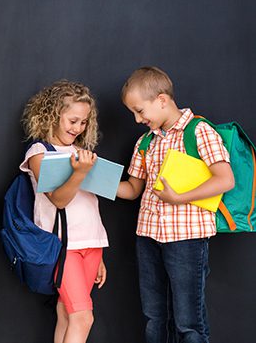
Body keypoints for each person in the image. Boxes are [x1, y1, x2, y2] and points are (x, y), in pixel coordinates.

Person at [116, 66, 234, 343]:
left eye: (139, 111)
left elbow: (225, 179)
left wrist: (178, 198)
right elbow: (133, 189)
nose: (136, 119)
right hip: (148, 237)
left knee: (188, 321)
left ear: (162, 100)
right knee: (154, 317)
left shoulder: (199, 131)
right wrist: (90, 179)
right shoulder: (145, 142)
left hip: (187, 239)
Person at [19, 81, 108, 343]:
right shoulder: (39, 152)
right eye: (72, 120)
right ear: (52, 115)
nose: (78, 128)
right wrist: (80, 172)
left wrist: (97, 249)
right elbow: (59, 200)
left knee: (66, 312)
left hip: (91, 244)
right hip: (62, 245)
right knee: (83, 317)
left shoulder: (83, 153)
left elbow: (90, 205)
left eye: (84, 122)